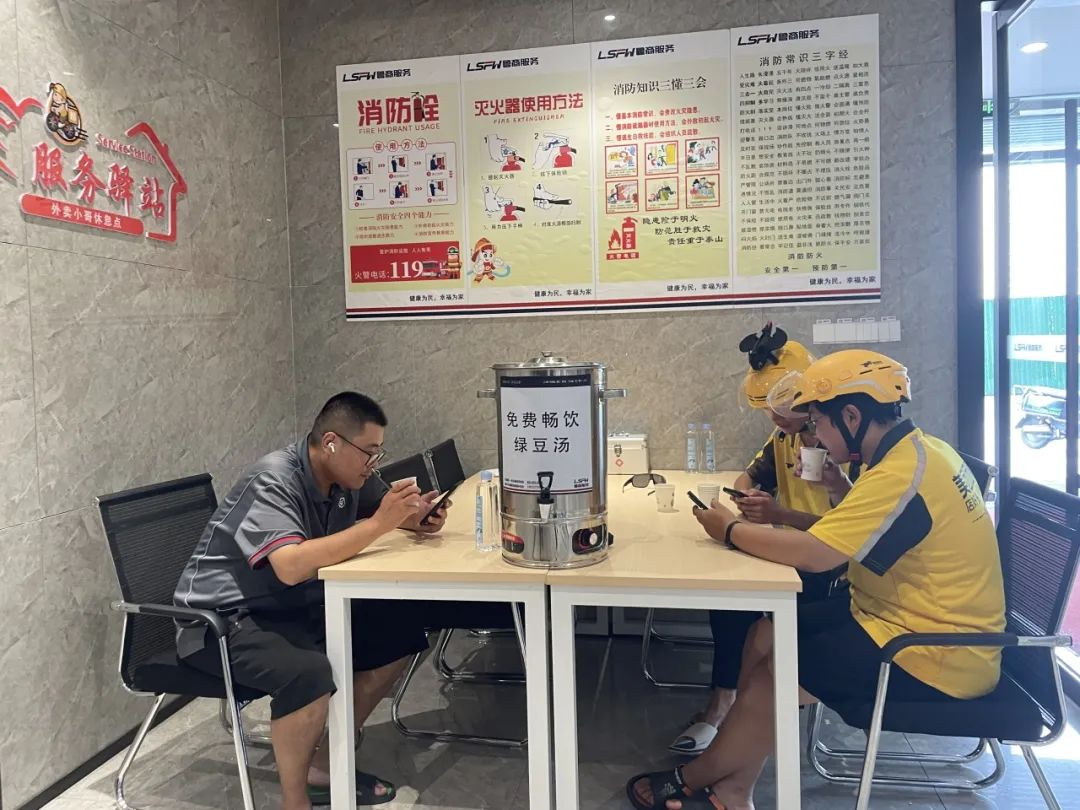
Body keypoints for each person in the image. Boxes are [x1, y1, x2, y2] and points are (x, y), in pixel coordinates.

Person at [628, 350, 1005, 809]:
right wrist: (840, 489)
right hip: (897, 618)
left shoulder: (901, 472)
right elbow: (870, 531)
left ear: (852, 416)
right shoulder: (917, 452)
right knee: (764, 634)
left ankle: (696, 778)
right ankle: (733, 791)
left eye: (819, 423)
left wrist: (729, 529)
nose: (815, 435)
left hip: (932, 651)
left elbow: (815, 555)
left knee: (781, 668)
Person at [174, 392, 449, 809]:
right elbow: (290, 566)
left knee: (397, 634)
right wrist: (379, 524)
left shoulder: (348, 478)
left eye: (379, 452)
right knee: (308, 673)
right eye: (369, 452)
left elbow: (384, 516)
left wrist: (418, 518)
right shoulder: (274, 480)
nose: (374, 463)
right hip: (219, 621)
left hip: (288, 607)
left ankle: (323, 764)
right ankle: (295, 800)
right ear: (333, 442)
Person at [669, 324, 848, 755]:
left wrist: (777, 516)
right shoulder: (784, 438)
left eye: (783, 408)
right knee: (728, 598)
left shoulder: (844, 449)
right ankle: (730, 703)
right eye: (769, 409)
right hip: (791, 553)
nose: (775, 418)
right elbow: (749, 476)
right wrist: (748, 497)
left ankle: (733, 708)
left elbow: (845, 536)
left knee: (740, 604)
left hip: (833, 572)